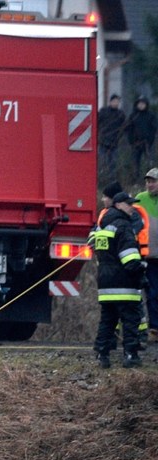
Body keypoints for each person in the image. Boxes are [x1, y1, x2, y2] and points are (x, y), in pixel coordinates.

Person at [90, 192, 146, 368]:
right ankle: (131, 355)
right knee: (130, 320)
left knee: (107, 321)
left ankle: (102, 354)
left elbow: (93, 245)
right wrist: (141, 272)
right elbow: (129, 259)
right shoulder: (124, 226)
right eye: (129, 204)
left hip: (105, 284)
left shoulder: (101, 227)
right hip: (124, 284)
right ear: (119, 205)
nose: (132, 207)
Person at [134, 170, 158, 338]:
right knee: (153, 293)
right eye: (148, 181)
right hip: (149, 256)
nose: (150, 184)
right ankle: (155, 328)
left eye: (153, 181)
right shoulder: (140, 199)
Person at [98, 94, 126, 179]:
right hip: (103, 141)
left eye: (117, 101)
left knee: (113, 163)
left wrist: (119, 137)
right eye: (114, 101)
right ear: (110, 102)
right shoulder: (103, 111)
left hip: (114, 142)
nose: (116, 103)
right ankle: (101, 178)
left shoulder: (120, 114)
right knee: (102, 161)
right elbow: (97, 123)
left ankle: (111, 179)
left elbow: (123, 127)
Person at [128, 97, 157, 173]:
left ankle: (150, 180)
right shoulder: (133, 116)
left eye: (143, 104)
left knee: (149, 162)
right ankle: (135, 181)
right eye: (139, 104)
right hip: (135, 143)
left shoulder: (151, 115)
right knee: (135, 163)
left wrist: (150, 140)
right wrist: (131, 141)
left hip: (147, 143)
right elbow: (129, 129)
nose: (141, 105)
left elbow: (154, 129)